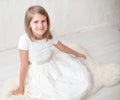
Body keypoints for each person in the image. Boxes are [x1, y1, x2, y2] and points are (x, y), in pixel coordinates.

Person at [10, 5, 92, 100]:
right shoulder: (24, 40)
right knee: (51, 91)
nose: (40, 25)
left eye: (43, 21)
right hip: (37, 69)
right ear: (29, 24)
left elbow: (63, 48)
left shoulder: (50, 34)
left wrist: (77, 54)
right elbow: (24, 65)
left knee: (73, 79)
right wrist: (21, 87)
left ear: (47, 22)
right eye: (36, 22)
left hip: (51, 62)